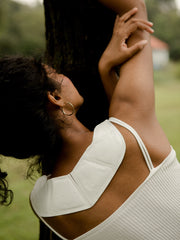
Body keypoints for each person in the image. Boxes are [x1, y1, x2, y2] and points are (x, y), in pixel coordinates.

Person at [0, 1, 179, 240]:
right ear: (55, 97)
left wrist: (106, 71)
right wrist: (105, 67)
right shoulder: (131, 131)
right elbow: (134, 7)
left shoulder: (44, 204)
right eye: (55, 72)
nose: (62, 74)